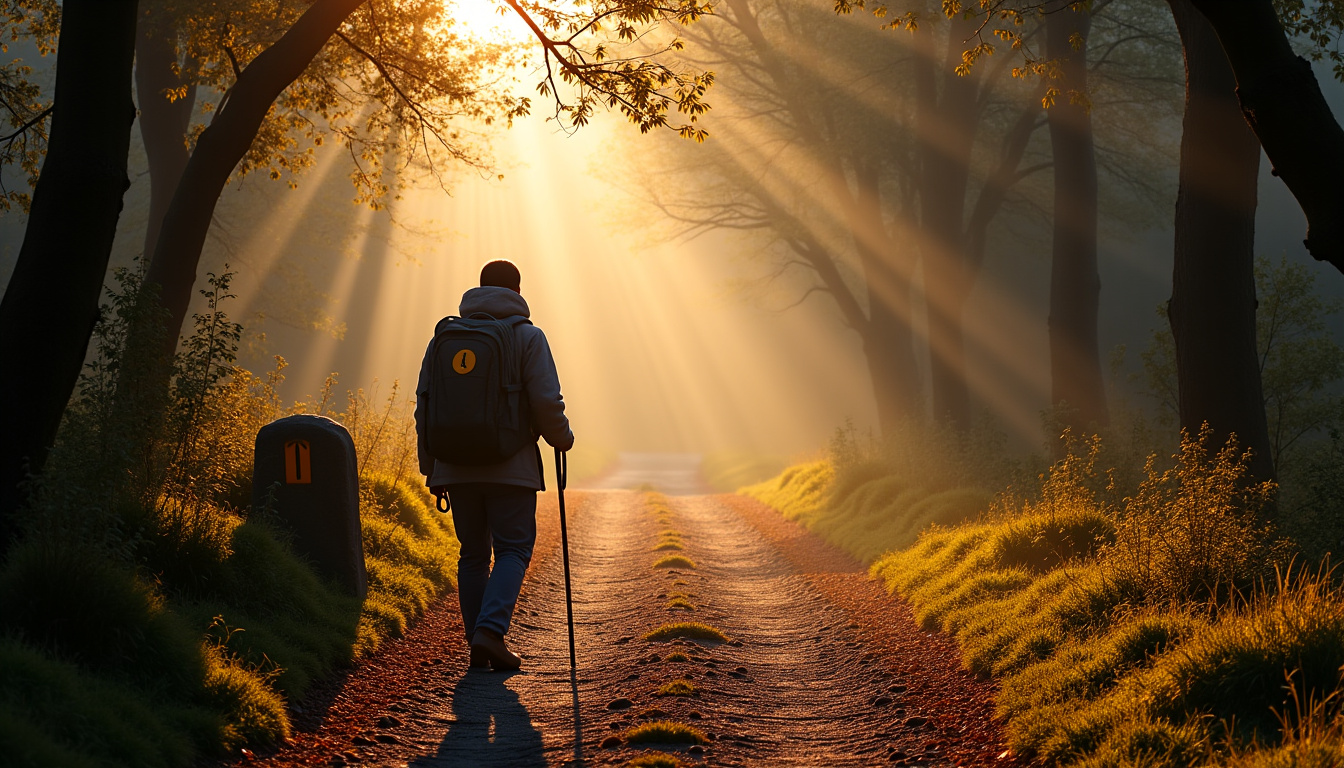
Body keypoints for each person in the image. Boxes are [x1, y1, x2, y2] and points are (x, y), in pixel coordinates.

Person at [415, 260, 574, 670]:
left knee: (472, 553)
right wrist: (562, 438)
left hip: (454, 464)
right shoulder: (529, 337)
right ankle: (489, 633)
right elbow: (545, 400)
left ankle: (478, 645)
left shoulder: (443, 339)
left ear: (479, 289)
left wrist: (430, 465)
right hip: (511, 465)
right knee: (513, 549)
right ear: (518, 292)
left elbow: (425, 403)